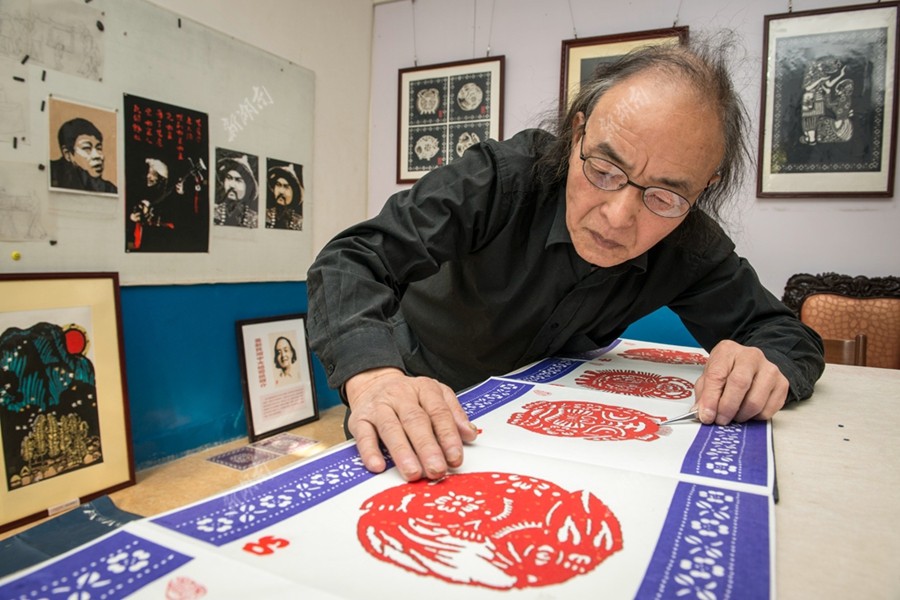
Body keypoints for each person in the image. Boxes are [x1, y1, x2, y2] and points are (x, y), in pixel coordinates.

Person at [306, 36, 825, 483]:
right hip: (415, 392)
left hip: (542, 424)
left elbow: (782, 334)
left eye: (665, 196)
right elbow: (352, 259)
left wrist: (763, 365)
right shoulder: (502, 179)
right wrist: (376, 380)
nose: (617, 217)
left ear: (704, 188)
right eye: (604, 170)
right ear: (578, 133)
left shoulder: (690, 244)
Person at [50, 118, 117, 193]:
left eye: (99, 148)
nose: (97, 156)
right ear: (67, 154)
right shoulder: (51, 175)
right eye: (87, 148)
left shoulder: (109, 189)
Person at [214, 154, 258, 228]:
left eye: (238, 180)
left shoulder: (254, 219)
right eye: (229, 178)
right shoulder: (213, 212)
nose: (232, 185)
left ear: (248, 187)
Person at [265, 163, 303, 230]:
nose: (281, 191)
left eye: (286, 187)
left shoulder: (299, 223)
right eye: (278, 185)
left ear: (294, 193)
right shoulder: (264, 216)